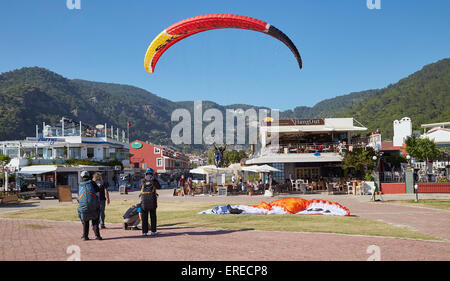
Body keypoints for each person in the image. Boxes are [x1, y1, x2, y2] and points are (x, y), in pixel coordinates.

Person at [77, 170, 102, 241]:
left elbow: (78, 196)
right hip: (93, 206)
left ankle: (85, 236)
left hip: (83, 207)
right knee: (95, 220)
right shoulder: (92, 183)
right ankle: (97, 236)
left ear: (81, 177)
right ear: (89, 176)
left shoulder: (79, 184)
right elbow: (98, 192)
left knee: (85, 221)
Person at [140, 168, 160, 237]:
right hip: (152, 202)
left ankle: (144, 232)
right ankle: (153, 231)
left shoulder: (142, 181)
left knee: (144, 217)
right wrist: (154, 180)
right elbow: (159, 187)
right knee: (153, 217)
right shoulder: (154, 181)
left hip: (144, 202)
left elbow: (140, 187)